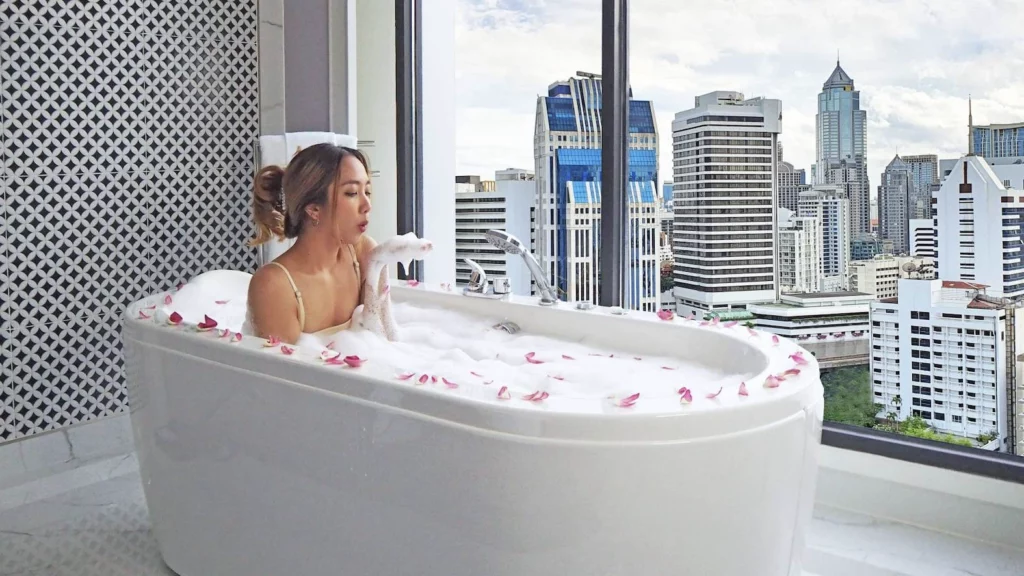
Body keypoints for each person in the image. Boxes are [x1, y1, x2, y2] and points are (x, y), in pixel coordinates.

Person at [246, 143, 377, 343]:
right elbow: (281, 373)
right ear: (314, 209)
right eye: (351, 193)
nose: (367, 205)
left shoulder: (364, 254)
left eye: (366, 191)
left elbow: (386, 340)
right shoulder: (274, 285)